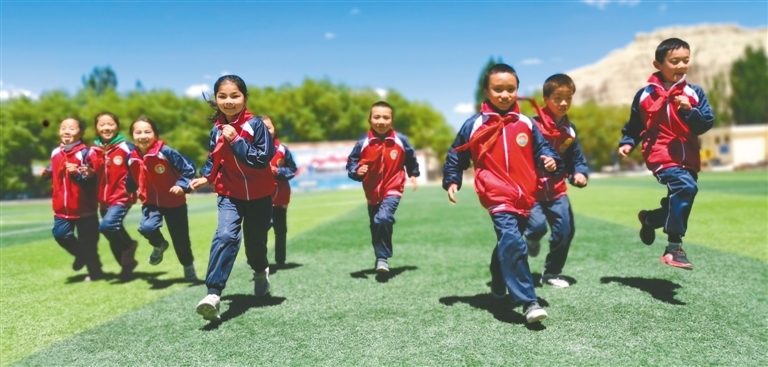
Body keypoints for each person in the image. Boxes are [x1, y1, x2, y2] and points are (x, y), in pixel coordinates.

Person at [442, 64, 563, 324]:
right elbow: (456, 155)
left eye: (510, 89)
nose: (505, 95)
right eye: (498, 89)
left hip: (525, 194)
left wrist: (549, 159)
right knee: (513, 240)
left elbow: (543, 150)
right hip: (495, 192)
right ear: (486, 91)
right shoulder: (474, 124)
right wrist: (452, 180)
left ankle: (498, 275)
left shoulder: (526, 123)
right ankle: (528, 302)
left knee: (514, 238)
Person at [618, 37, 714, 270]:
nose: (681, 66)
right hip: (658, 152)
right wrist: (628, 141)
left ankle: (650, 219)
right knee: (685, 187)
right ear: (658, 65)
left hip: (688, 156)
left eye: (685, 60)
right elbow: (635, 125)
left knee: (682, 196)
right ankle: (673, 249)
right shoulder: (644, 95)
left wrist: (689, 110)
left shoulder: (694, 93)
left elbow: (704, 125)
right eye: (674, 61)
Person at [190, 75, 276, 321]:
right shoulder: (216, 129)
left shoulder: (255, 125)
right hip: (229, 193)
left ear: (245, 98)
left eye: (234, 96)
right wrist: (205, 177)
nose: (229, 101)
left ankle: (259, 271)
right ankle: (213, 294)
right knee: (226, 235)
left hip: (259, 195)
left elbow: (262, 159)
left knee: (255, 246)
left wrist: (236, 140)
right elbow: (213, 157)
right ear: (216, 100)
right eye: (223, 96)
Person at [521, 74, 588, 289]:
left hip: (558, 192)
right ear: (546, 99)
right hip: (532, 193)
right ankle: (532, 238)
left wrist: (579, 173)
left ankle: (551, 272)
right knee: (537, 227)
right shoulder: (531, 126)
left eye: (568, 98)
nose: (564, 103)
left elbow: (576, 159)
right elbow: (520, 156)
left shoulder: (570, 130)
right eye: (558, 98)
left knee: (565, 231)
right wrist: (540, 161)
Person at [346, 101, 420, 273]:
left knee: (383, 218)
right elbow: (351, 163)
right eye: (377, 117)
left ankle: (382, 258)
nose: (381, 121)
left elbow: (410, 157)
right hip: (371, 192)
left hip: (393, 186)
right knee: (376, 225)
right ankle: (380, 256)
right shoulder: (362, 143)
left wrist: (413, 173)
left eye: (386, 118)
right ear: (370, 120)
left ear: (392, 120)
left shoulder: (400, 141)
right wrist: (356, 171)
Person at [125, 117, 198, 281]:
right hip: (151, 202)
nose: (143, 136)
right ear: (132, 136)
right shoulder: (131, 157)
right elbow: (132, 176)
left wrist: (181, 185)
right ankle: (159, 245)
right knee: (147, 228)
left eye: (147, 132)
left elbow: (189, 168)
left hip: (174, 202)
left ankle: (188, 266)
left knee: (181, 240)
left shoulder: (166, 152)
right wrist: (129, 189)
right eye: (138, 132)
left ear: (155, 134)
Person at [43, 117, 102, 281]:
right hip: (61, 207)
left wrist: (77, 174)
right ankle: (81, 255)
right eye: (63, 128)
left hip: (85, 207)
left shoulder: (87, 153)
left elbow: (93, 181)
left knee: (89, 242)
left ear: (81, 132)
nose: (66, 131)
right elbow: (55, 168)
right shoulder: (55, 152)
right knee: (61, 235)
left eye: (71, 128)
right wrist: (47, 173)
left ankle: (95, 273)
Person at [85, 112, 139, 280]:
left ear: (117, 126)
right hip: (103, 200)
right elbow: (90, 175)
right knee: (114, 232)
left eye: (110, 124)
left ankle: (129, 246)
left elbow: (139, 168)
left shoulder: (127, 148)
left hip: (122, 197)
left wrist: (136, 187)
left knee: (107, 227)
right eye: (102, 125)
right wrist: (88, 173)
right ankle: (127, 267)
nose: (107, 128)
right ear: (96, 128)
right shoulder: (92, 151)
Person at [261, 115, 298, 267]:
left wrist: (277, 171)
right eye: (262, 128)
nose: (266, 131)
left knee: (280, 230)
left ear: (274, 129)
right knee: (260, 231)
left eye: (269, 127)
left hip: (280, 197)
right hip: (259, 198)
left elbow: (292, 169)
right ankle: (260, 262)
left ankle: (280, 261)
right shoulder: (249, 149)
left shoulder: (282, 149)